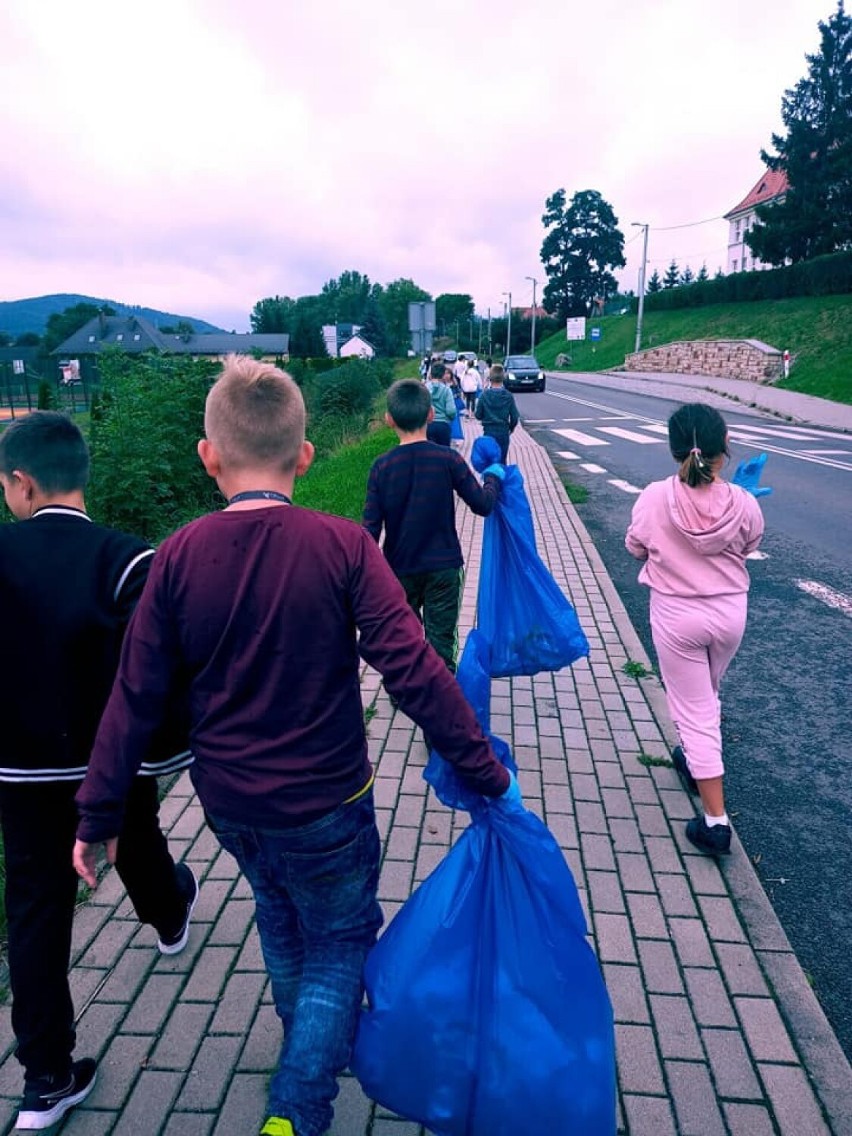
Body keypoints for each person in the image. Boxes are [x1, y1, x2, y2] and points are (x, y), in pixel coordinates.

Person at [72, 356, 518, 1136]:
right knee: (340, 938)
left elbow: (134, 695)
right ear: (305, 456)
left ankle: (308, 1040)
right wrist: (484, 771)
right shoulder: (343, 546)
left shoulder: (176, 554)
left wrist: (98, 813)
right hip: (328, 802)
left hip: (230, 805)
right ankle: (300, 1103)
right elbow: (412, 668)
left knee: (280, 920)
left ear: (209, 456)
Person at [0, 411, 196, 1131]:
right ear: (83, 475)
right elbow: (155, 677)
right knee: (138, 847)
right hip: (111, 766)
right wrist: (168, 756)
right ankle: (171, 914)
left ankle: (46, 1080)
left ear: (20, 483)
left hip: (18, 773)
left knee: (36, 910)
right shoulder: (130, 560)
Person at [625, 403, 766, 859]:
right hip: (729, 613)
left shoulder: (653, 497)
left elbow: (635, 547)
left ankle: (715, 823)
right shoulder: (743, 502)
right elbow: (750, 544)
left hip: (678, 614)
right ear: (724, 448)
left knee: (695, 710)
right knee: (706, 693)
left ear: (673, 450)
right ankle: (690, 753)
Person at [363, 378, 504, 674]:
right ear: (430, 414)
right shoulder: (448, 459)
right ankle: (442, 698)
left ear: (389, 420)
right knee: (440, 640)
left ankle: (404, 692)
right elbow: (482, 505)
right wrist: (493, 477)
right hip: (444, 567)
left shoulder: (382, 467)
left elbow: (370, 532)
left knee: (404, 637)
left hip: (399, 569)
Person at [475, 363, 519, 463]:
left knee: (489, 462)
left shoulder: (484, 395)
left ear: (490, 378)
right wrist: (511, 428)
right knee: (502, 461)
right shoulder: (508, 396)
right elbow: (515, 417)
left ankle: (490, 478)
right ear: (503, 378)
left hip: (488, 432)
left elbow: (478, 415)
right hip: (503, 432)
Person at [424, 361, 457, 446]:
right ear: (443, 375)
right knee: (444, 455)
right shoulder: (447, 390)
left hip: (427, 426)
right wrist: (451, 418)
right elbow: (451, 411)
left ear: (431, 374)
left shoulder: (424, 389)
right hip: (443, 425)